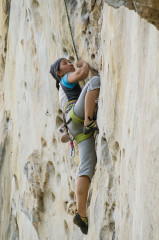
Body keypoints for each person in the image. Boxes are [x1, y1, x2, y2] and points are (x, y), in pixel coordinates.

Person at [50, 58, 100, 235]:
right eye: (65, 64)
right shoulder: (65, 79)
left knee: (86, 168)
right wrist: (83, 63)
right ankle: (89, 120)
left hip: (75, 129)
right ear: (59, 73)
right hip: (78, 118)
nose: (69, 64)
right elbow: (83, 74)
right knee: (95, 81)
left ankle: (81, 214)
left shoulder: (62, 91)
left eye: (69, 61)